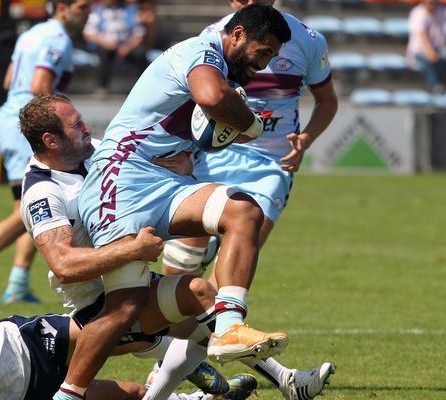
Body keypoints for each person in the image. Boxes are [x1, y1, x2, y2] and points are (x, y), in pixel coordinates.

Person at [17, 94, 317, 400]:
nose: (86, 126)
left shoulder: (96, 150)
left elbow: (150, 168)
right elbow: (64, 266)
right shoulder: (43, 192)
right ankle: (284, 381)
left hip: (134, 282)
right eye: (75, 124)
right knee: (200, 298)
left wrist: (178, 166)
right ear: (51, 141)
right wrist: (133, 250)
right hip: (99, 307)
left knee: (206, 314)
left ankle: (286, 380)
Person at [68, 5, 292, 400]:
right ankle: (67, 393)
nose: (265, 64)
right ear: (237, 35)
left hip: (160, 180)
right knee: (123, 311)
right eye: (263, 52)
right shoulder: (201, 51)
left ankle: (228, 328)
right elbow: (211, 96)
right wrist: (252, 124)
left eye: (272, 57)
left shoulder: (219, 68)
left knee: (244, 210)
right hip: (118, 180)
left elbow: (204, 117)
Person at [158, 1, 338, 398]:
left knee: (224, 285)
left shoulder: (306, 40)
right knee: (176, 284)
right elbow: (194, 104)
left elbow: (328, 101)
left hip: (270, 169)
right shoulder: (214, 38)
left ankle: (178, 383)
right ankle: (282, 379)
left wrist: (305, 140)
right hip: (213, 160)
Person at [0, 0, 91, 306]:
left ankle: (17, 282)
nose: (87, 13)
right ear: (61, 8)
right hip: (29, 126)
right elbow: (40, 85)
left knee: (32, 206)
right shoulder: (57, 39)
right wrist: (63, 118)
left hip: (8, 119)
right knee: (38, 203)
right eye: (81, 6)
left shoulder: (33, 34)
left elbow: (10, 79)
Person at [0, 313, 244, 400]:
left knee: (122, 333)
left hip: (26, 342)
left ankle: (190, 349)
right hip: (31, 393)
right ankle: (192, 396)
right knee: (129, 395)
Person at [82, 0, 147, 98]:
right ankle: (102, 88)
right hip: (105, 45)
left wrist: (127, 47)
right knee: (105, 53)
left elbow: (139, 34)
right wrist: (106, 43)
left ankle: (145, 87)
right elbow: (89, 34)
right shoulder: (97, 10)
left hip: (126, 46)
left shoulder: (131, 10)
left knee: (141, 53)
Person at [406, 0, 446, 93]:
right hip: (420, 52)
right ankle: (435, 85)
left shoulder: (443, 10)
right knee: (426, 57)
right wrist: (430, 52)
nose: (431, 4)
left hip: (440, 49)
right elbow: (421, 35)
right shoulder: (417, 13)